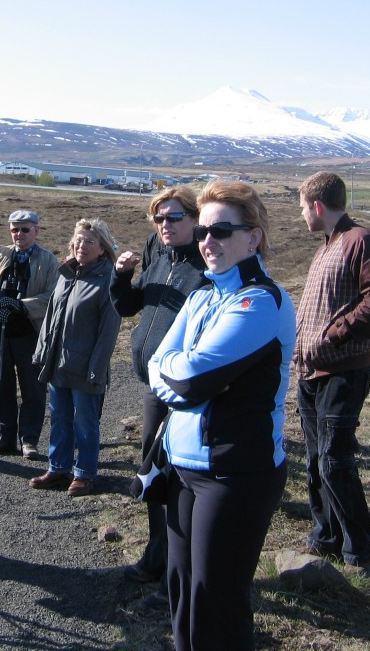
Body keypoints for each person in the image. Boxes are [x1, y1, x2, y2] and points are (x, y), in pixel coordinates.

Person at [148, 181, 295, 651]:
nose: (207, 241)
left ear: (253, 238)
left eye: (222, 231)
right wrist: (179, 371)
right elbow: (159, 364)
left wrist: (178, 371)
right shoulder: (202, 296)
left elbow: (187, 380)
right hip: (183, 468)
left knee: (217, 606)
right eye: (204, 231)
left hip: (235, 474)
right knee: (182, 595)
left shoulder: (260, 301)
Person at [294, 171, 370, 570]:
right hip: (310, 373)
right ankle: (326, 537)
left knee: (335, 461)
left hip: (342, 372)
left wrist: (333, 336)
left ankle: (359, 552)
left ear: (317, 206)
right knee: (317, 459)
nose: (302, 215)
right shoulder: (325, 247)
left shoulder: (361, 241)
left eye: (303, 207)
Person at [110, 186, 206, 602]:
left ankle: (177, 567)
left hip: (186, 388)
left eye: (173, 217)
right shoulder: (157, 250)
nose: (164, 225)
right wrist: (120, 276)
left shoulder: (207, 262)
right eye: (159, 218)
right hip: (153, 384)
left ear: (195, 219)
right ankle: (157, 556)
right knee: (153, 470)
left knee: (177, 475)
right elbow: (130, 307)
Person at [30, 219, 121, 497]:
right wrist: (42, 352)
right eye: (79, 240)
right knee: (59, 417)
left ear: (103, 249)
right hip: (58, 363)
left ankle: (84, 474)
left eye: (89, 242)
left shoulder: (108, 280)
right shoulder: (67, 273)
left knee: (85, 421)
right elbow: (51, 316)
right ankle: (58, 468)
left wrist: (97, 368)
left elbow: (108, 332)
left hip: (86, 367)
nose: (82, 246)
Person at [0, 210, 59, 459]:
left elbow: (53, 297)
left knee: (33, 388)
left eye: (24, 229)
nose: (19, 234)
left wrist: (23, 306)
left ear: (36, 230)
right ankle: (3, 436)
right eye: (14, 229)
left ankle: (29, 440)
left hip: (30, 334)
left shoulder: (48, 260)